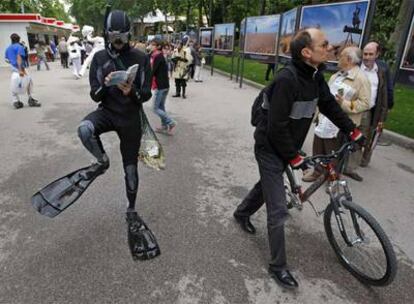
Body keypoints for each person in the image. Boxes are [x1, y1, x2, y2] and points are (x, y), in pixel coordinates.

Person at [233, 29, 363, 289]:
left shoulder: (315, 76)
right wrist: (293, 156)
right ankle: (278, 266)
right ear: (306, 52)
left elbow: (329, 105)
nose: (330, 47)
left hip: (287, 145)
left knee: (268, 186)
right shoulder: (287, 79)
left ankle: (242, 212)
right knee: (278, 209)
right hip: (270, 147)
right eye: (324, 44)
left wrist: (352, 129)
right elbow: (275, 126)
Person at [77, 9, 156, 258]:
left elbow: (146, 95)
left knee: (130, 169)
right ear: (106, 34)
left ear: (129, 33)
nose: (118, 41)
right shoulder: (99, 58)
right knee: (84, 129)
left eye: (122, 35)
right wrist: (105, 84)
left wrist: (130, 90)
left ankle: (131, 209)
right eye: (114, 36)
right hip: (108, 112)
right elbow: (94, 94)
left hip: (130, 118)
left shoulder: (142, 58)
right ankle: (101, 160)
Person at [303, 46, 371, 182]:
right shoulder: (336, 75)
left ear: (349, 59)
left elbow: (365, 103)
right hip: (324, 120)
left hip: (339, 125)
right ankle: (317, 172)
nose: (338, 59)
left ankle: (332, 180)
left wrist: (344, 104)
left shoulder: (361, 79)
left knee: (333, 154)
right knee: (318, 149)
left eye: (341, 56)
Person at [360, 42, 393, 167]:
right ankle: (350, 161)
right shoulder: (358, 65)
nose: (367, 57)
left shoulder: (382, 69)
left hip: (374, 107)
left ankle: (364, 159)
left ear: (377, 54)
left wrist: (389, 106)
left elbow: (388, 89)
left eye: (370, 54)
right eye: (365, 54)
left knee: (372, 133)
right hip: (356, 107)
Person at [5, 33, 41, 109]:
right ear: (19, 39)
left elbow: (6, 60)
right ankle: (30, 99)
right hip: (21, 68)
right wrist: (20, 69)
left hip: (13, 69)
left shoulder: (8, 48)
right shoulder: (19, 47)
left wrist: (12, 62)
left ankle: (16, 101)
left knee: (14, 84)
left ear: (11, 40)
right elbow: (19, 57)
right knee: (29, 82)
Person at [149, 38, 177, 135]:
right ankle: (164, 126)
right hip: (165, 85)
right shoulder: (159, 56)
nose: (150, 46)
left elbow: (152, 72)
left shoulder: (157, 57)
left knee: (155, 108)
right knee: (161, 107)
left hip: (160, 86)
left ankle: (170, 122)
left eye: (153, 45)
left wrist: (146, 83)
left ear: (158, 47)